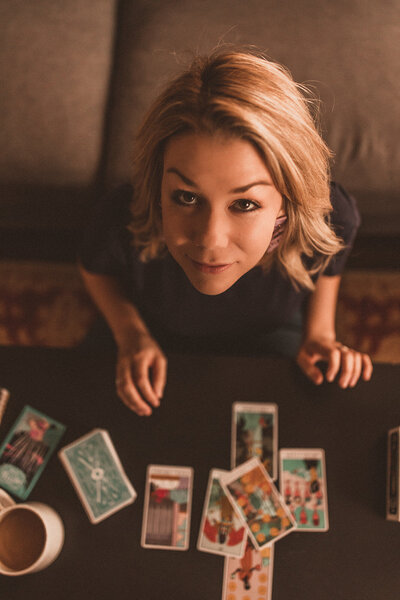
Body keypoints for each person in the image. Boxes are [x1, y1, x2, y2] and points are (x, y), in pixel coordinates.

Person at [79, 50, 373, 416]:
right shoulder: (117, 216)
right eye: (186, 197)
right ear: (157, 185)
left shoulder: (332, 215)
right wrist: (130, 334)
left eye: (245, 204)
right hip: (153, 331)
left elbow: (329, 266)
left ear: (289, 199)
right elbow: (96, 270)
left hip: (270, 337)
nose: (210, 240)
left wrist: (319, 335)